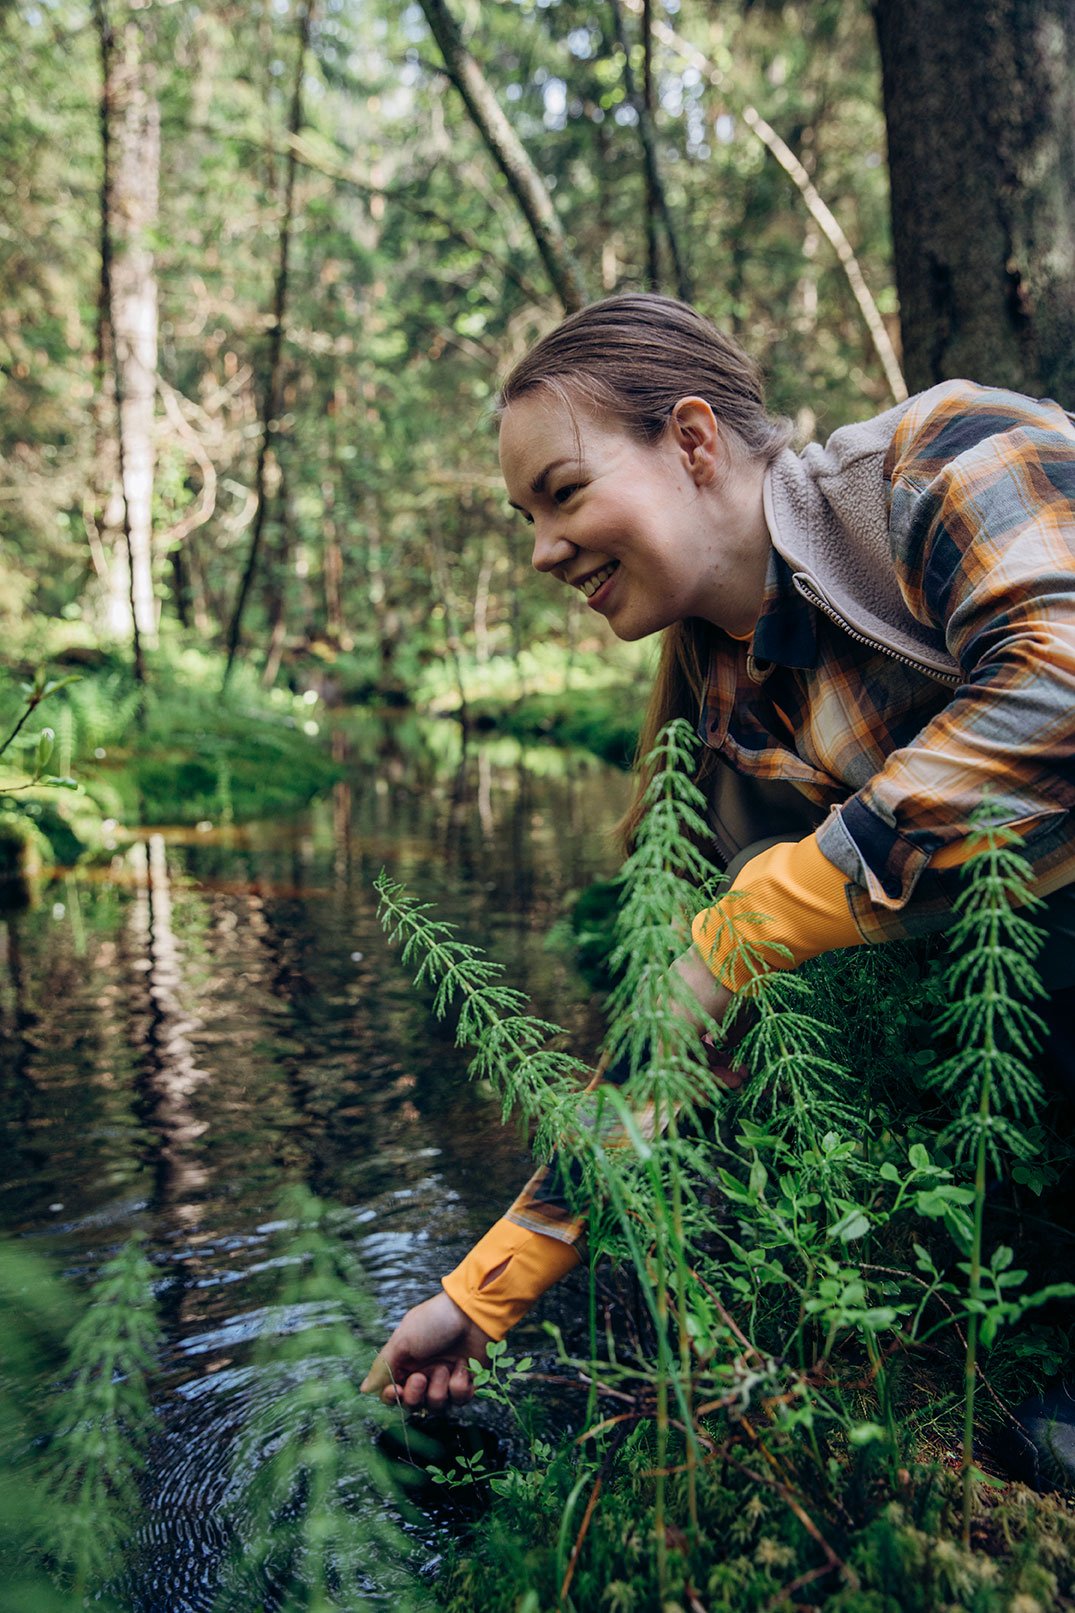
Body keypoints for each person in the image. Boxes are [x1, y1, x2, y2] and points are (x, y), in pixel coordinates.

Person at [361, 294, 1075, 1452]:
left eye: (563, 492)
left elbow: (1060, 685)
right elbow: (676, 1020)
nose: (541, 549)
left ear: (692, 442)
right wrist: (486, 1285)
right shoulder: (722, 716)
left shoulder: (946, 453)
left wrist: (768, 908)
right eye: (524, 515)